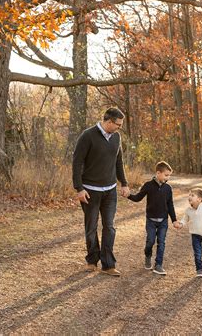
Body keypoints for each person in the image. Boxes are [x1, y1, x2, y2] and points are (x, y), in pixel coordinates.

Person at [72, 107, 130, 276]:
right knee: (91, 227)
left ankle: (108, 264)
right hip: (90, 190)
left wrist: (124, 183)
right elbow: (76, 163)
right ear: (108, 121)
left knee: (109, 227)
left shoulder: (116, 137)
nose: (119, 128)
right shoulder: (87, 136)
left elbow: (118, 162)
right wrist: (79, 188)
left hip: (110, 191)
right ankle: (91, 261)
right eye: (117, 125)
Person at [126, 161, 180, 275]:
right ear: (158, 173)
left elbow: (170, 205)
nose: (168, 178)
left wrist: (174, 220)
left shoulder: (168, 188)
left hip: (163, 221)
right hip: (151, 220)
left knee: (161, 242)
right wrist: (129, 195)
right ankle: (147, 255)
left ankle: (158, 265)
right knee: (150, 241)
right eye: (166, 175)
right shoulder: (148, 185)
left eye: (169, 175)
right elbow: (138, 198)